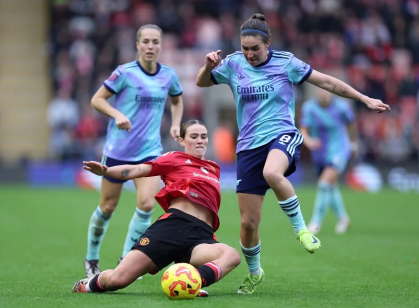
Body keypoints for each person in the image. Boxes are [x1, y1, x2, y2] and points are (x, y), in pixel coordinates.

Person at [196, 13, 390, 295]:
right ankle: (255, 272)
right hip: (248, 146)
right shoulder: (233, 64)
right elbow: (203, 82)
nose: (249, 54)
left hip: (282, 134)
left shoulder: (286, 62)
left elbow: (328, 83)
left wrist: (364, 98)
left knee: (272, 173)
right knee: (249, 223)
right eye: (245, 48)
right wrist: (207, 66)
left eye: (255, 49)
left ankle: (302, 230)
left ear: (268, 43)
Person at [72, 120, 241, 295]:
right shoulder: (174, 158)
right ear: (182, 141)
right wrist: (107, 171)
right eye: (194, 136)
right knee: (117, 279)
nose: (200, 140)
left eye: (203, 137)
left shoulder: (213, 168)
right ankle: (89, 284)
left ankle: (193, 282)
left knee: (231, 256)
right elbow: (137, 170)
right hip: (171, 228)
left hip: (200, 236)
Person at [84, 24, 184, 279]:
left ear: (161, 46)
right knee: (107, 206)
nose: (151, 47)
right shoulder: (124, 73)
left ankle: (127, 259)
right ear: (137, 45)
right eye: (146, 42)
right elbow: (97, 99)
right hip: (119, 151)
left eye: (155, 42)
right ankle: (91, 257)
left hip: (150, 151)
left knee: (147, 203)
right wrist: (117, 114)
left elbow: (177, 99)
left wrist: (175, 123)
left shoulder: (169, 75)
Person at [299, 88, 357, 235]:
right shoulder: (309, 108)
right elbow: (303, 130)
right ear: (316, 92)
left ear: (331, 92)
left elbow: (351, 124)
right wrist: (309, 141)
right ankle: (343, 218)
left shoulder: (342, 107)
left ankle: (315, 222)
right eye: (320, 91)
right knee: (330, 187)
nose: (323, 94)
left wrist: (353, 143)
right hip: (320, 153)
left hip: (339, 150)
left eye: (326, 91)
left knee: (324, 184)